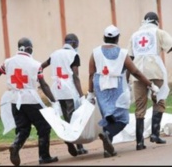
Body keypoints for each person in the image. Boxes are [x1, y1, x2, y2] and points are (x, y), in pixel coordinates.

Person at [87, 24, 160, 157]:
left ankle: (107, 150)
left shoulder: (95, 52)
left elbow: (91, 74)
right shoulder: (122, 53)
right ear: (117, 38)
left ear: (104, 37)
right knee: (123, 118)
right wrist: (150, 85)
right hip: (117, 87)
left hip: (101, 87)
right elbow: (136, 72)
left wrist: (90, 93)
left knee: (107, 115)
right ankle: (108, 135)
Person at [0, 37, 59, 166]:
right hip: (30, 99)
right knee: (44, 127)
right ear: (29, 48)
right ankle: (44, 156)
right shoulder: (35, 64)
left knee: (23, 128)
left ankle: (15, 145)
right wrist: (54, 101)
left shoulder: (8, 62)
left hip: (14, 100)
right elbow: (43, 85)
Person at [127, 12, 172, 150]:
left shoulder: (134, 35)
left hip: (138, 73)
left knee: (140, 106)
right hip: (155, 71)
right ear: (156, 21)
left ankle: (139, 142)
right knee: (159, 100)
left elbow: (130, 57)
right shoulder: (159, 32)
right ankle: (154, 134)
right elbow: (170, 46)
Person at [41, 33, 88, 157]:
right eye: (77, 43)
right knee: (74, 118)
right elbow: (75, 76)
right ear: (73, 43)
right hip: (69, 89)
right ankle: (76, 144)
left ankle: (75, 143)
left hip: (57, 89)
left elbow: (41, 66)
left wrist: (38, 79)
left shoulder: (54, 54)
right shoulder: (74, 55)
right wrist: (81, 95)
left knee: (67, 118)